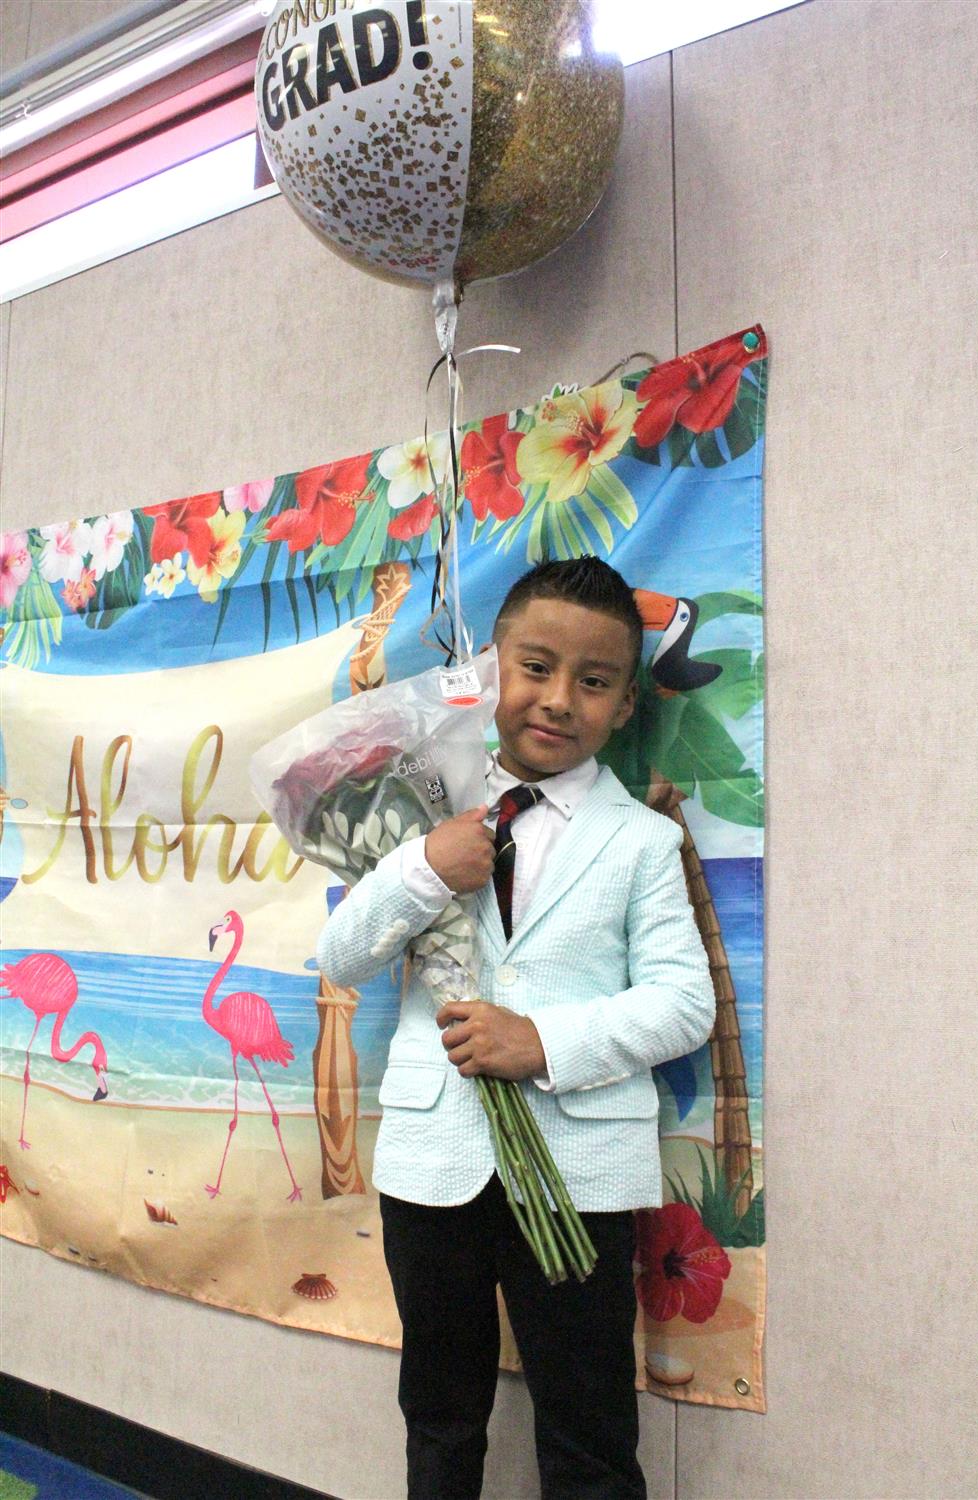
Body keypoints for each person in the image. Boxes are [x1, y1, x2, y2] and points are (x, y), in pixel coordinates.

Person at [317, 557, 716, 1500]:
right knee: (439, 1419)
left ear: (625, 706)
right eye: (534, 667)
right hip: (433, 1167)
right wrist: (421, 866)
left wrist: (542, 1042)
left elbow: (683, 1002)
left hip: (577, 1172)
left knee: (588, 1433)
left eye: (594, 681)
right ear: (493, 669)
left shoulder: (644, 841)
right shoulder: (425, 809)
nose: (558, 700)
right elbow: (340, 958)